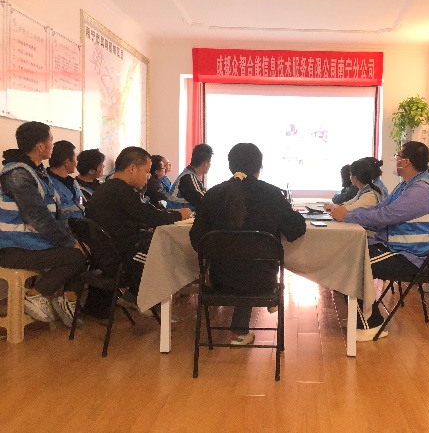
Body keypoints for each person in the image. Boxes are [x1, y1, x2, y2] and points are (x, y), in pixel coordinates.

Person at [190, 143, 306, 346]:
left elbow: (196, 239)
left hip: (220, 281)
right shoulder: (271, 194)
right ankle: (242, 328)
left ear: (230, 166)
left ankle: (240, 332)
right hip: (263, 281)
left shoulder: (213, 195)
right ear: (259, 167)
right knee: (250, 266)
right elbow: (295, 230)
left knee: (239, 263)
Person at [330, 141, 429, 341]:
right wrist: (348, 214)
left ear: (406, 162)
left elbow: (386, 216)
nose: (395, 160)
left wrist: (347, 216)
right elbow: (380, 209)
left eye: (398, 157)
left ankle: (371, 323)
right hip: (396, 248)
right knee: (348, 254)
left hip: (410, 257)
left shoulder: (421, 190)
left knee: (353, 265)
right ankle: (363, 316)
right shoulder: (407, 185)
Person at [0, 122, 86, 327]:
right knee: (77, 256)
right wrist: (68, 241)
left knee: (82, 247)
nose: (52, 146)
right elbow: (38, 218)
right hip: (12, 248)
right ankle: (34, 294)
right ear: (40, 146)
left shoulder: (37, 172)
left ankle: (65, 299)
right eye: (51, 141)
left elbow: (54, 212)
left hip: (31, 244)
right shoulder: (18, 174)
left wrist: (71, 238)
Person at [85, 147, 191, 307]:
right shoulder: (123, 191)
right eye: (146, 171)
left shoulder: (105, 188)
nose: (148, 176)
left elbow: (136, 216)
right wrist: (179, 215)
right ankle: (154, 306)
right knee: (169, 256)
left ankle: (135, 297)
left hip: (104, 256)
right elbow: (151, 216)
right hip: (122, 258)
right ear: (132, 168)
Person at [167, 143, 213, 210]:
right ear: (205, 163)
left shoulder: (189, 175)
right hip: (178, 215)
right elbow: (203, 201)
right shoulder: (188, 177)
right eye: (210, 162)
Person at [47, 140, 84, 219]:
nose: (76, 163)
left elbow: (80, 202)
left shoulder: (73, 182)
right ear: (67, 162)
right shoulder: (47, 183)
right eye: (75, 159)